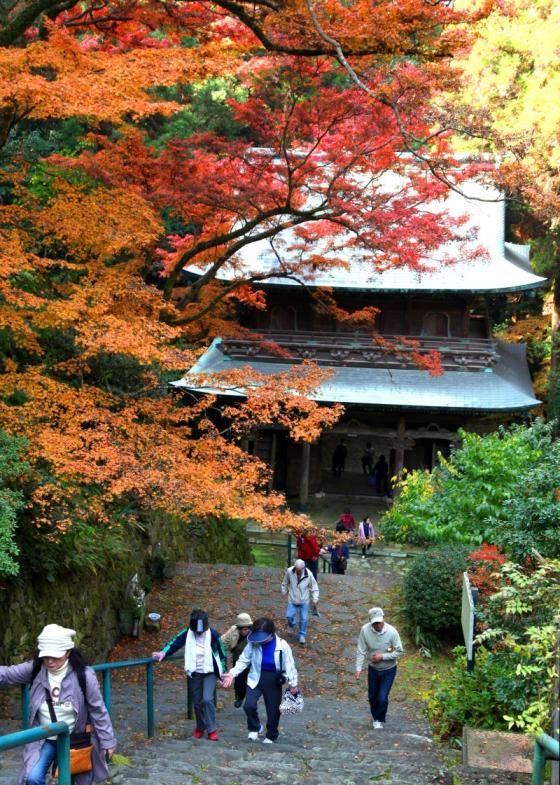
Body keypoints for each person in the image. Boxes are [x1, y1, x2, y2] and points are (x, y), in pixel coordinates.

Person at [0, 623, 116, 785]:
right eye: (46, 656)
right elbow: (8, 674)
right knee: (32, 778)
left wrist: (107, 740)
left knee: (75, 781)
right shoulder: (36, 668)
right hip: (44, 737)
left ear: (68, 652)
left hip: (75, 740)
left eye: (55, 656)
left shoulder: (84, 676)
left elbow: (98, 710)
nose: (50, 661)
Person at [221, 617, 298, 744]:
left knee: (273, 710)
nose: (260, 640)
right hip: (255, 676)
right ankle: (255, 727)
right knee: (248, 705)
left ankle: (271, 734)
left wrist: (293, 684)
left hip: (273, 679)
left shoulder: (282, 645)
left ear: (270, 634)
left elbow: (290, 665)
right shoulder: (253, 643)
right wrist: (232, 674)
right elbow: (244, 659)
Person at [152, 609, 226, 741]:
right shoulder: (187, 633)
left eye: (201, 631)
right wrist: (163, 653)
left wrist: (224, 672)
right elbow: (175, 642)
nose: (198, 633)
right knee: (197, 702)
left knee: (207, 699)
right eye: (197, 631)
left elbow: (222, 653)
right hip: (194, 672)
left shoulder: (213, 635)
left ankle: (212, 729)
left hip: (209, 671)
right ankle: (200, 727)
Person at [355, 607, 403, 729]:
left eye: (379, 622)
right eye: (375, 623)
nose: (378, 625)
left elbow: (399, 651)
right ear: (371, 622)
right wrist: (358, 668)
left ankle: (378, 719)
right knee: (372, 697)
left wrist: (383, 656)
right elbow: (361, 650)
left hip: (389, 669)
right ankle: (375, 716)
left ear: (383, 620)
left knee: (382, 697)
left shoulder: (392, 632)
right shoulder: (365, 631)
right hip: (373, 669)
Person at [281, 559, 320, 645]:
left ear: (303, 568)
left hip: (304, 600)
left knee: (304, 619)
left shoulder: (309, 574)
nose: (298, 571)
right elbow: (285, 582)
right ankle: (291, 625)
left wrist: (315, 598)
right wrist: (284, 590)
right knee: (289, 616)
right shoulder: (289, 571)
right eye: (297, 569)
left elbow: (314, 586)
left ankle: (302, 634)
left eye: (299, 570)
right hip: (292, 598)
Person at [220, 613, 253, 708]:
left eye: (248, 628)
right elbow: (221, 642)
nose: (246, 631)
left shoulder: (255, 633)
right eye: (243, 629)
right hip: (238, 660)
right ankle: (240, 696)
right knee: (239, 682)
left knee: (251, 681)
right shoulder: (233, 631)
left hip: (252, 662)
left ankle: (250, 700)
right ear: (239, 628)